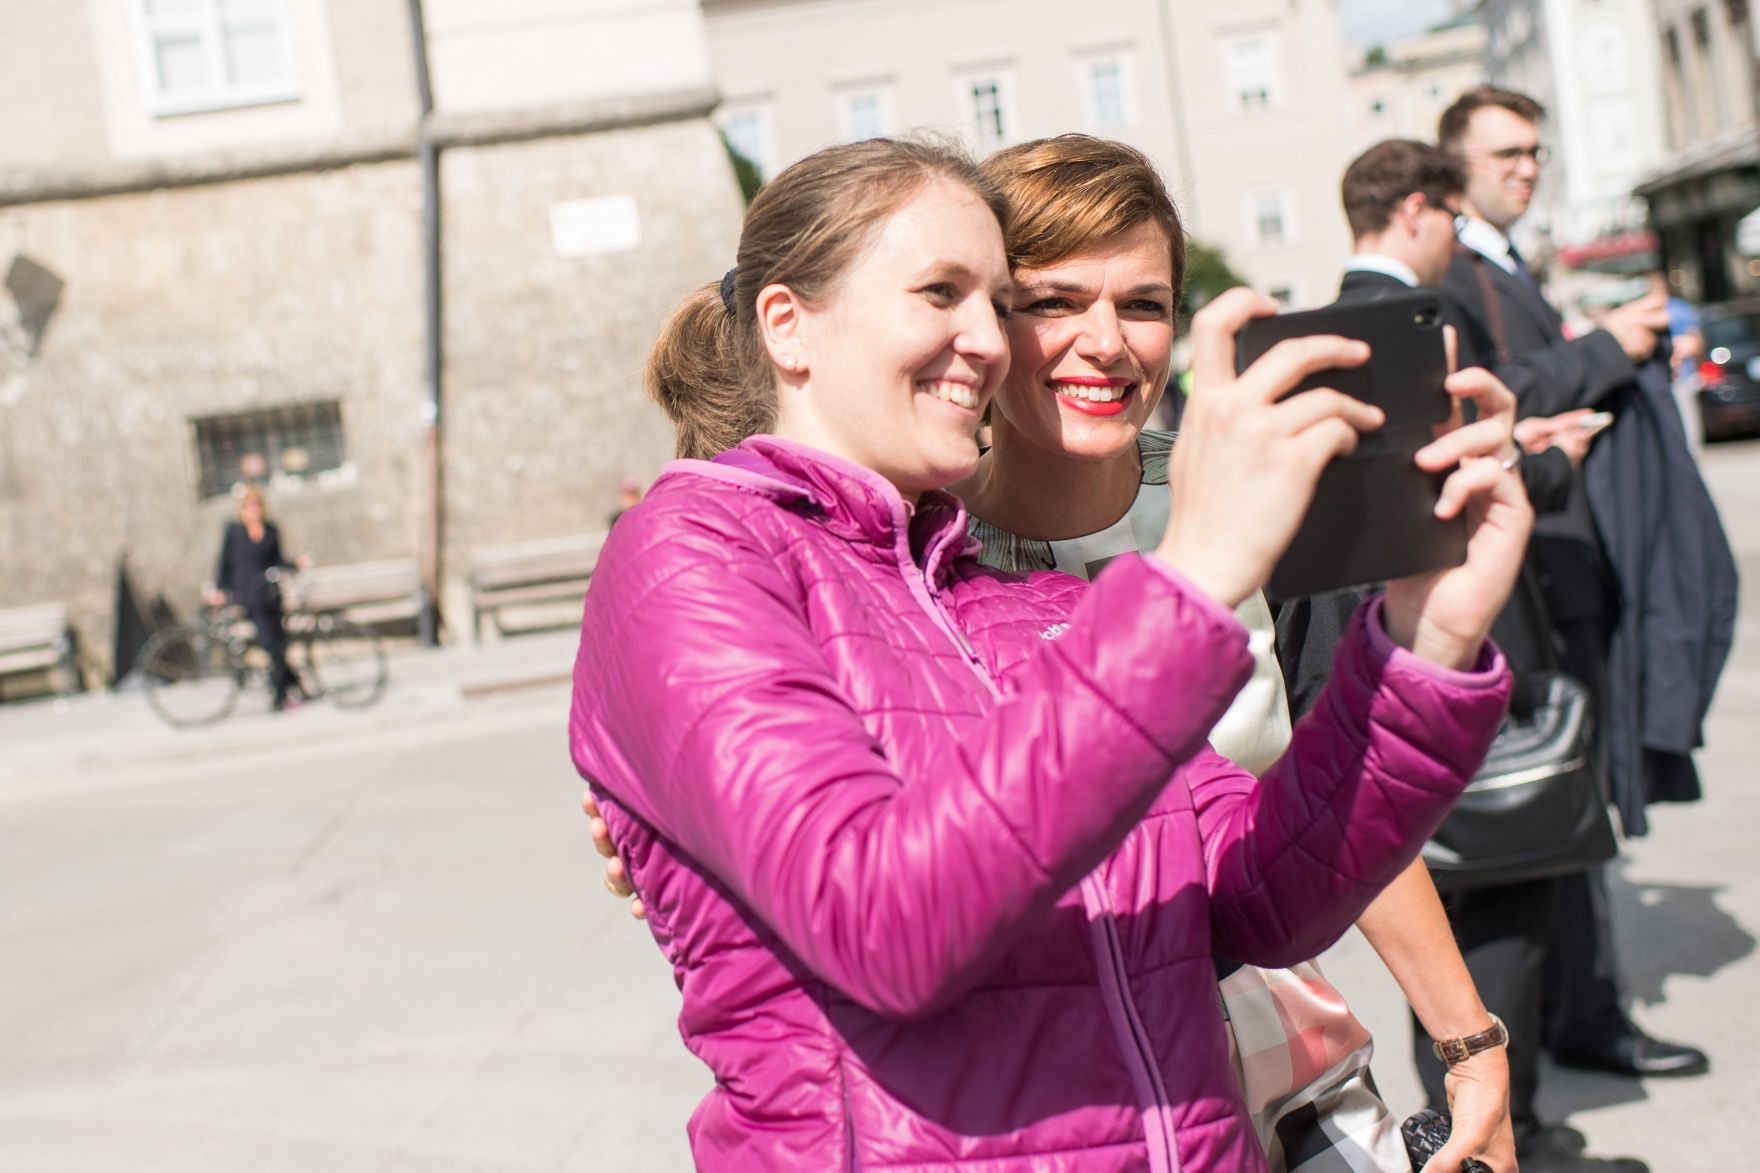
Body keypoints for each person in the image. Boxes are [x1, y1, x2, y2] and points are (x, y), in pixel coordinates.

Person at [569, 136, 1527, 1171]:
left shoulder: (1020, 600)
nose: (984, 339)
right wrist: (1188, 583)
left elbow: (1255, 893)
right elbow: (882, 922)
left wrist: (1422, 647)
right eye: (943, 292)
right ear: (787, 325)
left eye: (992, 301)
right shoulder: (688, 552)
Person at [204, 484, 304, 711]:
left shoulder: (271, 530)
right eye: (249, 506)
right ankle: (279, 697)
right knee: (271, 644)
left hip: (271, 595)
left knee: (278, 645)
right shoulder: (234, 531)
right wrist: (220, 589)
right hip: (249, 597)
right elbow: (224, 563)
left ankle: (294, 685)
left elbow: (278, 560)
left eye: (257, 505)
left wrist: (296, 564)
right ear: (242, 509)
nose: (253, 510)